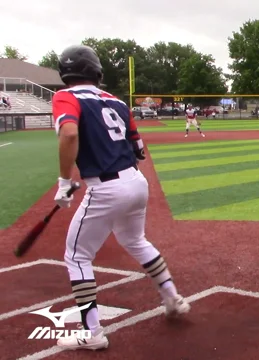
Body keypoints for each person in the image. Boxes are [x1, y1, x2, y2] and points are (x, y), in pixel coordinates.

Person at [52, 45, 190, 351]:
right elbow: (138, 148)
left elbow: (70, 134)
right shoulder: (115, 101)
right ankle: (171, 296)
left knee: (77, 256)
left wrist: (64, 181)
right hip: (136, 181)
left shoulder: (66, 96)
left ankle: (92, 332)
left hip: (105, 187)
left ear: (66, 74)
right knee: (136, 240)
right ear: (97, 72)